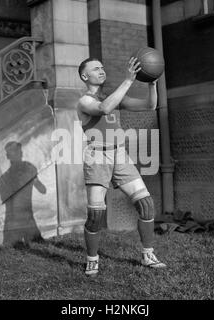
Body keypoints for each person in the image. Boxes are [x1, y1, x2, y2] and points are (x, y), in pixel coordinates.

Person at [77, 57, 166, 276]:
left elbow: (150, 105)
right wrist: (128, 80)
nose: (101, 70)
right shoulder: (84, 102)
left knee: (146, 204)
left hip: (120, 155)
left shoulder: (113, 97)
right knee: (96, 215)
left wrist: (151, 83)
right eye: (95, 68)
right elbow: (104, 109)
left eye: (102, 67)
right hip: (97, 156)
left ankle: (147, 255)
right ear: (85, 76)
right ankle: (92, 259)